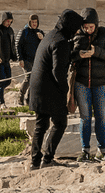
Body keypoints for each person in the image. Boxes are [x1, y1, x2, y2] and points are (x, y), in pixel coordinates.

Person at [27, 9, 83, 170]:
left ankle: (35, 162)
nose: (78, 31)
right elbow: (58, 71)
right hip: (50, 90)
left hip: (37, 88)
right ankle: (47, 159)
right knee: (60, 123)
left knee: (41, 125)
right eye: (76, 28)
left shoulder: (51, 35)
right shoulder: (61, 41)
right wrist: (66, 92)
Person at [70, 8, 105, 161]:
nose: (88, 30)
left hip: (101, 83)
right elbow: (70, 55)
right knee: (85, 118)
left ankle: (102, 150)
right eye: (85, 27)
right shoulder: (76, 35)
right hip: (81, 83)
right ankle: (85, 151)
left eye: (91, 27)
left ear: (96, 24)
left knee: (101, 117)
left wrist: (96, 51)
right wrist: (79, 55)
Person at [16, 15, 43, 105]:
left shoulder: (40, 32)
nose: (34, 24)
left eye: (36, 22)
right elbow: (18, 45)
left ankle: (29, 99)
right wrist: (20, 59)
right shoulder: (24, 31)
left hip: (36, 60)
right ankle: (20, 96)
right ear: (29, 22)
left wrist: (42, 39)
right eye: (33, 22)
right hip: (26, 59)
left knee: (34, 79)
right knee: (29, 77)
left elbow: (45, 46)